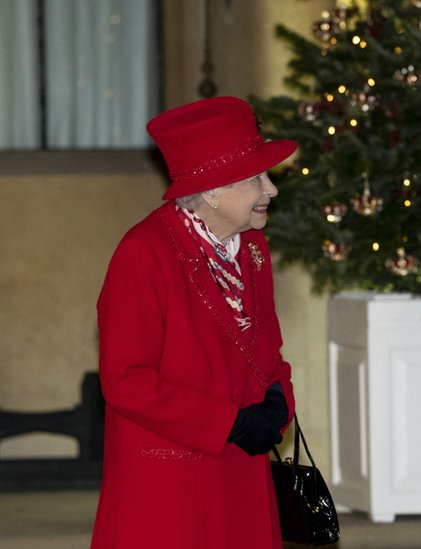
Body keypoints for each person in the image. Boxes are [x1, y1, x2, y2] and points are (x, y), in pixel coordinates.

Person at [91, 96, 299, 549]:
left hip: (240, 466)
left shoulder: (252, 249)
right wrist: (227, 423)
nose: (272, 190)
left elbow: (268, 352)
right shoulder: (143, 253)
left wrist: (279, 398)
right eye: (256, 178)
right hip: (171, 478)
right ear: (211, 189)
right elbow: (126, 380)